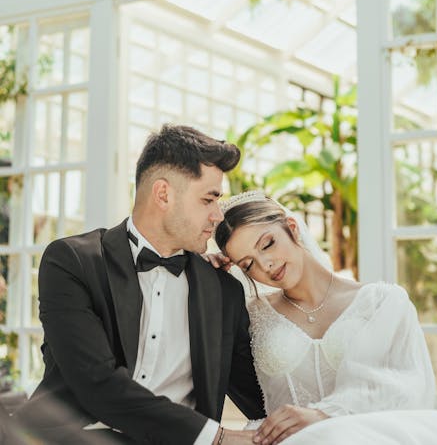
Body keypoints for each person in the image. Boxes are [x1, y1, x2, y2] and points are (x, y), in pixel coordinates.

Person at [12, 125, 265, 445]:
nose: (217, 215)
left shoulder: (222, 289)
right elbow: (95, 382)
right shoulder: (72, 262)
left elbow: (260, 394)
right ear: (163, 194)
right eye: (208, 199)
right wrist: (214, 437)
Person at [213, 191, 437, 445]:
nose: (266, 264)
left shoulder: (384, 302)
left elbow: (408, 388)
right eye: (248, 264)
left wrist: (324, 415)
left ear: (291, 229)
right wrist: (206, 272)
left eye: (268, 244)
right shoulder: (252, 315)